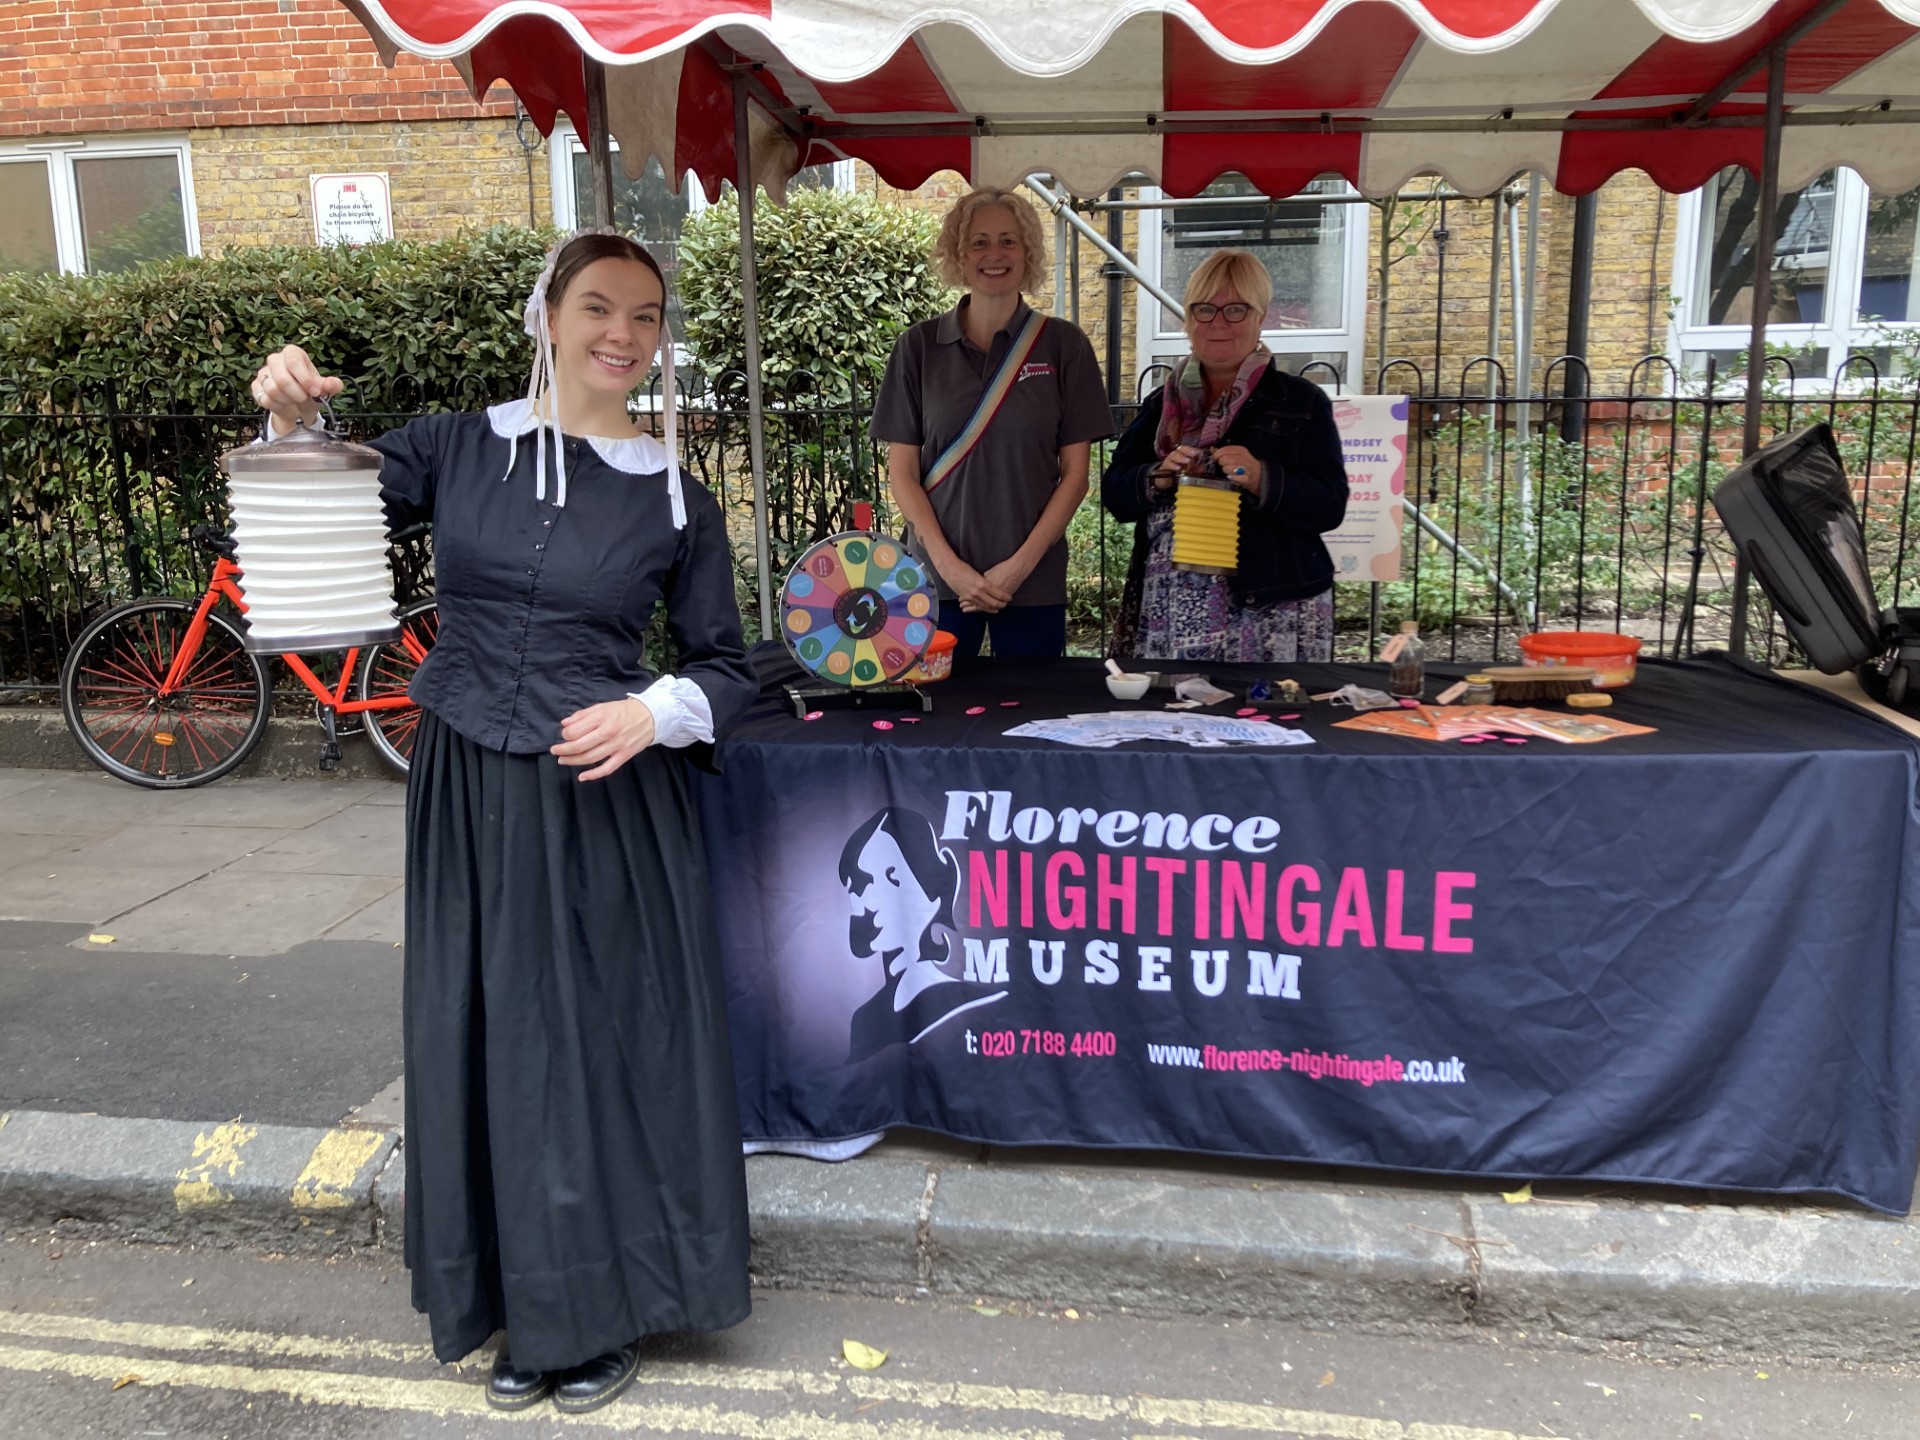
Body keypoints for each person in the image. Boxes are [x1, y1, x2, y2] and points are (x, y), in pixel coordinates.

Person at [249, 231, 757, 1417]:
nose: (622, 334)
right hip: (468, 792)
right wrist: (285, 421)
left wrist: (650, 712)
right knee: (486, 1037)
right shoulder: (456, 446)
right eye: (597, 306)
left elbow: (732, 665)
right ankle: (515, 1305)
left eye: (644, 315)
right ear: (549, 313)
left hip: (601, 805)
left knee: (581, 1051)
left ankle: (592, 1308)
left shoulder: (676, 495)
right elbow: (315, 502)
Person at [871, 187, 1113, 665]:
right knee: (931, 725)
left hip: (1032, 582)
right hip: (936, 582)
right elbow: (902, 474)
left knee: (1033, 725)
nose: (994, 255)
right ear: (959, 254)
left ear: (1028, 252)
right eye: (979, 242)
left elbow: (1076, 476)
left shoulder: (1064, 346)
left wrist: (1017, 569)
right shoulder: (918, 348)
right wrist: (950, 569)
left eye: (1009, 241)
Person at [1102, 249, 1349, 662]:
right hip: (1173, 605)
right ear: (1188, 318)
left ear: (1260, 316)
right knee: (1177, 723)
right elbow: (1116, 493)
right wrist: (1157, 475)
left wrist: (1261, 477)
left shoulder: (1301, 401)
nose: (1218, 323)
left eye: (1236, 309)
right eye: (1204, 309)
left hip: (1274, 607)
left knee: (1268, 722)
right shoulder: (1160, 405)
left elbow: (1329, 504)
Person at [838, 806, 1007, 1060]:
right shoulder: (864, 1021)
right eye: (862, 884)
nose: (869, 899)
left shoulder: (971, 1004)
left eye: (892, 879)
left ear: (933, 896)